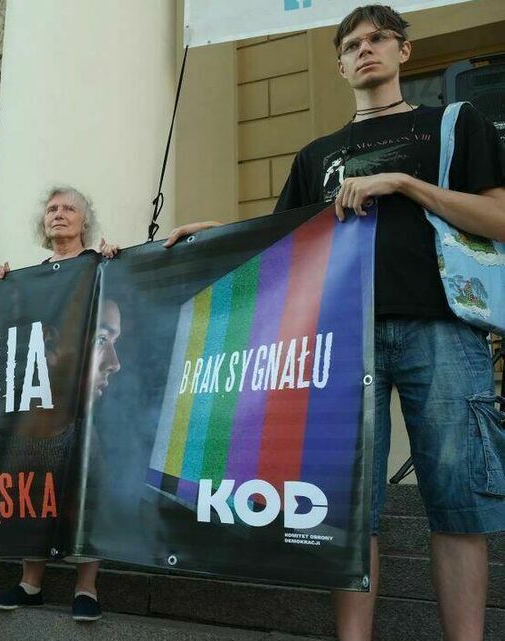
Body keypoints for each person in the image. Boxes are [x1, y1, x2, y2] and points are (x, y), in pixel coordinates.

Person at [166, 7, 505, 640]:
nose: (365, 51)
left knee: (459, 503)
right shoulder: (316, 154)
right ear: (340, 63)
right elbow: (281, 242)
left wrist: (404, 184)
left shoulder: (455, 124)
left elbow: (497, 219)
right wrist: (213, 234)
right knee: (350, 512)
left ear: (404, 52)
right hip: (342, 340)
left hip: (445, 326)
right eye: (352, 45)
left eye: (378, 40)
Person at [0, 185, 119, 622]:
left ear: (85, 221)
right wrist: (1, 287)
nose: (58, 215)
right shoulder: (32, 275)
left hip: (87, 406)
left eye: (69, 209)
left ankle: (87, 588)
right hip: (40, 406)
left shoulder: (101, 266)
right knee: (33, 490)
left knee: (86, 491)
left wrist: (119, 263)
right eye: (52, 209)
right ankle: (31, 583)